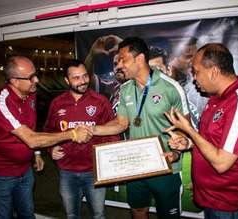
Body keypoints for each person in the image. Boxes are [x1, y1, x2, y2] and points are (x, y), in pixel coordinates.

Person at [0, 56, 93, 219]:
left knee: (27, 214)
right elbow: (31, 138)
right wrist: (73, 133)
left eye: (36, 74)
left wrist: (36, 154)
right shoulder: (1, 103)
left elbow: (31, 126)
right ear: (14, 81)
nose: (36, 80)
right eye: (30, 77)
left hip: (25, 171)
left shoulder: (30, 94)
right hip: (0, 176)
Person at [92, 37, 189, 219]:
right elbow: (121, 124)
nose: (119, 65)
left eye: (123, 59)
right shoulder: (126, 89)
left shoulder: (171, 87)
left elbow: (186, 127)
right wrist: (92, 130)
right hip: (136, 166)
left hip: (166, 166)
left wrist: (176, 153)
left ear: (140, 58)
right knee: (138, 211)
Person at [165, 43, 238, 219]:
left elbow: (221, 163)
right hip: (212, 200)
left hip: (231, 206)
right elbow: (212, 141)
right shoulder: (216, 99)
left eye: (196, 72)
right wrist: (188, 142)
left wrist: (189, 130)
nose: (194, 79)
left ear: (214, 72)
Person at [43, 59, 119, 219]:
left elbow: (113, 132)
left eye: (85, 76)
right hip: (67, 172)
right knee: (71, 215)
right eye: (76, 78)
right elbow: (48, 131)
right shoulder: (57, 103)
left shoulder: (101, 101)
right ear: (66, 80)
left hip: (94, 171)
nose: (83, 81)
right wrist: (51, 149)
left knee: (99, 215)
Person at [168, 37, 208, 128]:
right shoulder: (170, 73)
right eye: (186, 45)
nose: (188, 49)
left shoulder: (201, 82)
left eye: (192, 46)